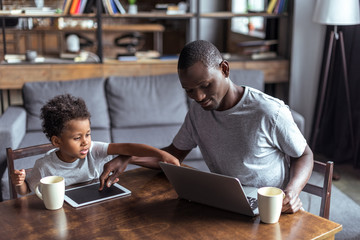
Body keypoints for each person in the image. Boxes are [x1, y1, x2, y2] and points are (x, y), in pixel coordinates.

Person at [99, 40, 314, 214]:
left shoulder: (268, 112)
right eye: (189, 91)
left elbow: (304, 154)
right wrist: (129, 157)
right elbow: (173, 156)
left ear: (225, 69)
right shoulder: (197, 113)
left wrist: (292, 191)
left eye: (205, 85)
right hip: (226, 205)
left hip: (271, 209)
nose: (199, 97)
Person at [10, 94, 179, 196]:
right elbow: (27, 191)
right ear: (57, 141)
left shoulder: (93, 150)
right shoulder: (44, 166)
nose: (85, 142)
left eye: (88, 134)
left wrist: (162, 154)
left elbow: (127, 148)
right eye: (77, 138)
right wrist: (19, 183)